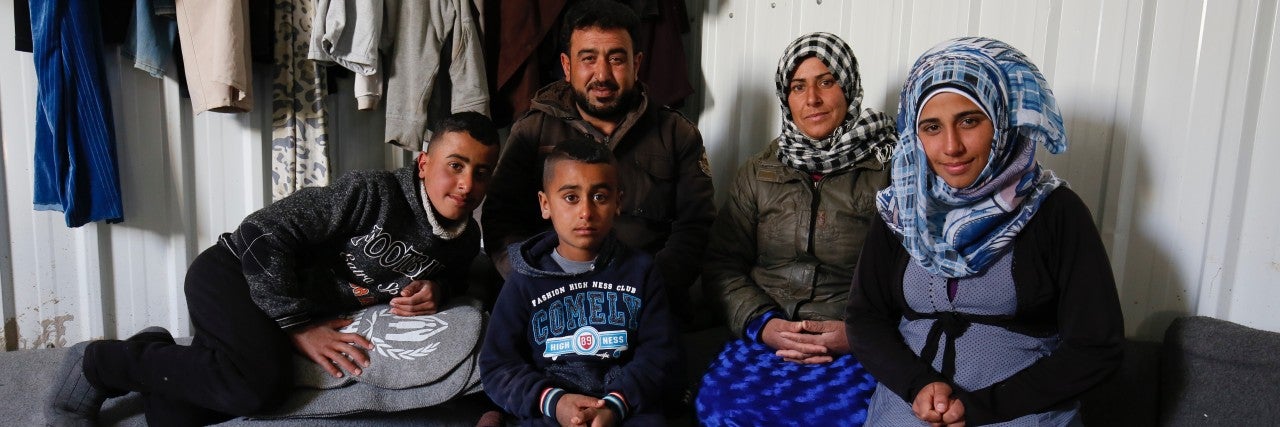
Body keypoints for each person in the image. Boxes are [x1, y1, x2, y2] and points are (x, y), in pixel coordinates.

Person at [44, 112, 502, 426]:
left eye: (481, 173)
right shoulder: (371, 192)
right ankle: (97, 365)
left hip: (275, 303)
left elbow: (455, 278)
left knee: (172, 415)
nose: (466, 184)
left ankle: (153, 348)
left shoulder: (465, 242)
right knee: (257, 388)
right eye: (454, 166)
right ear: (424, 164)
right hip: (233, 272)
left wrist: (437, 291)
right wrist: (299, 327)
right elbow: (262, 233)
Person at [845, 37, 1124, 426]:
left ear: (1003, 120)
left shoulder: (1056, 212)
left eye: (969, 121)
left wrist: (978, 408)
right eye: (931, 127)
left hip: (1022, 412)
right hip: (910, 408)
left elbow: (1096, 347)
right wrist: (918, 385)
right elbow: (865, 317)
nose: (951, 146)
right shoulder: (903, 208)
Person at [695, 32, 897, 427]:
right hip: (765, 335)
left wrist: (855, 333)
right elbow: (721, 265)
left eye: (826, 81)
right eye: (798, 87)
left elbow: (909, 276)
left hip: (851, 342)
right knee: (721, 410)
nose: (813, 99)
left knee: (848, 417)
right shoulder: (759, 172)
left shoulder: (889, 171)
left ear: (849, 85)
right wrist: (764, 324)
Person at [481, 0, 715, 324]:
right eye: (588, 59)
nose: (602, 75)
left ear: (637, 63)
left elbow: (695, 227)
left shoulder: (678, 134)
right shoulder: (532, 130)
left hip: (647, 304)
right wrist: (536, 282)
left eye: (616, 59)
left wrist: (645, 289)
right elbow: (500, 221)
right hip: (549, 302)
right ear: (566, 66)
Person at [480, 138, 680, 426]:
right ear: (546, 204)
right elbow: (498, 365)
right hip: (551, 408)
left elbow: (660, 354)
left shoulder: (641, 271)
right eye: (571, 197)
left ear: (618, 202)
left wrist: (614, 405)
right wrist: (555, 402)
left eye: (599, 197)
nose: (586, 212)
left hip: (624, 406)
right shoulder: (524, 277)